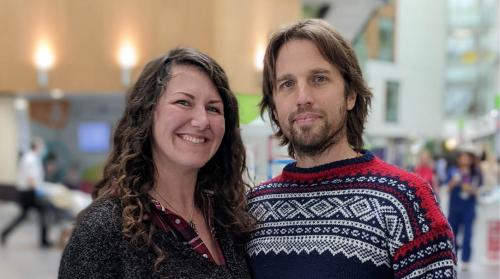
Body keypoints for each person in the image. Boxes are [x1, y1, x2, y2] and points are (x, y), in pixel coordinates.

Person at [246, 19, 456, 279]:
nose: (302, 98)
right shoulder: (255, 208)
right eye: (287, 84)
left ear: (350, 95)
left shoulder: (405, 201)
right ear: (275, 108)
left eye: (319, 78)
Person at [59, 48, 253, 278]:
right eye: (183, 102)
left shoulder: (230, 219)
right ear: (147, 113)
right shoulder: (105, 228)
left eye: (213, 108)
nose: (202, 121)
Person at [1, 137, 52, 247]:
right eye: (42, 146)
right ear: (37, 146)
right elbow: (31, 178)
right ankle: (44, 241)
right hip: (29, 192)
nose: (43, 149)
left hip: (25, 192)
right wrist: (39, 190)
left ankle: (4, 234)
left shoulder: (29, 157)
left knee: (24, 215)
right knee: (43, 211)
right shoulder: (32, 159)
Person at [446, 150, 482, 271]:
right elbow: (447, 188)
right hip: (455, 207)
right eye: (463, 158)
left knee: (468, 233)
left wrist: (470, 189)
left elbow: (478, 190)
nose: (465, 160)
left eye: (467, 158)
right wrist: (455, 181)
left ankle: (466, 260)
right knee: (453, 233)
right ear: (459, 160)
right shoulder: (452, 171)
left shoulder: (475, 172)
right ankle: (453, 257)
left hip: (469, 206)